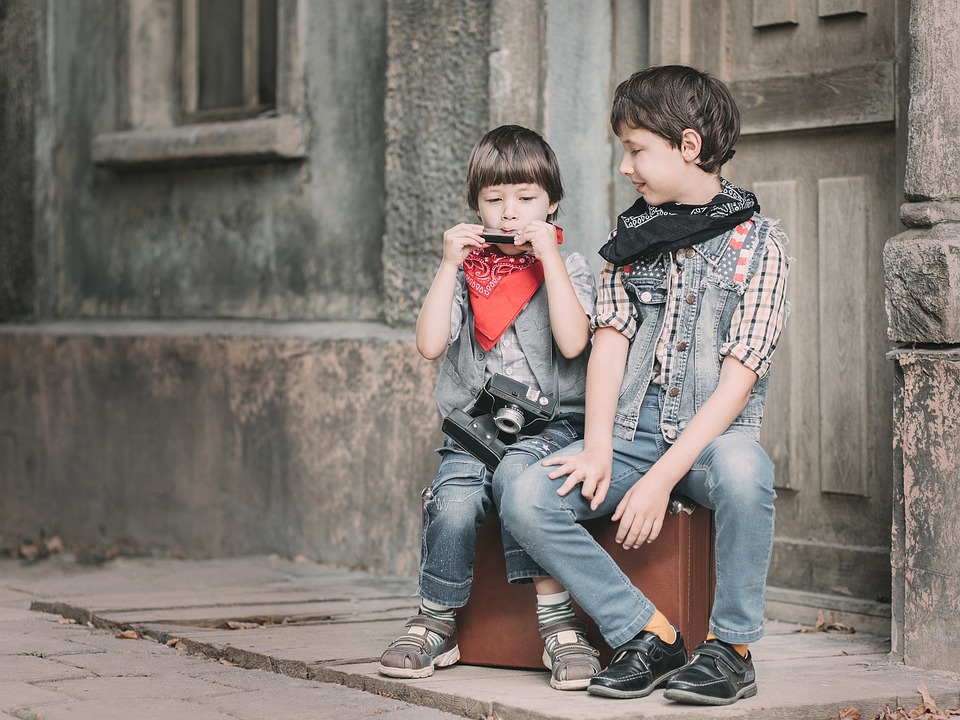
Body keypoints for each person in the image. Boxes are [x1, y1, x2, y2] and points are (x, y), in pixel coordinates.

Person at [499, 65, 791, 706]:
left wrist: (661, 481)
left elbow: (738, 383)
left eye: (636, 150)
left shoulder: (760, 246)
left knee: (748, 473)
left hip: (710, 436)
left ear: (688, 146)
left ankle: (731, 649)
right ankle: (646, 633)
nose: (625, 167)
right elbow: (610, 341)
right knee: (524, 493)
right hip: (632, 429)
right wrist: (599, 446)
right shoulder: (629, 241)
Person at [378, 125, 599, 691]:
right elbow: (430, 345)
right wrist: (448, 265)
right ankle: (436, 619)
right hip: (475, 430)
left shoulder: (568, 266)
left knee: (526, 490)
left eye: (526, 199)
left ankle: (558, 627)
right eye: (494, 199)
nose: (510, 214)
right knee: (452, 499)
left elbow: (575, 343)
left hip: (549, 427)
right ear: (475, 205)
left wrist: (548, 256)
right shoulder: (467, 273)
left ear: (552, 201)